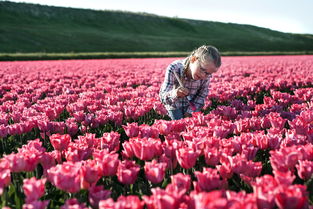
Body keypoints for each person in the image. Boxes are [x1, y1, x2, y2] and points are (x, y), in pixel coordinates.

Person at [159, 45, 221, 120]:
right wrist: (175, 93)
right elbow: (163, 98)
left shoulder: (206, 77)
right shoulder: (174, 68)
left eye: (208, 73)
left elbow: (201, 96)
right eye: (202, 69)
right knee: (179, 125)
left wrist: (190, 111)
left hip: (192, 106)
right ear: (193, 59)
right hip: (174, 105)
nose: (203, 75)